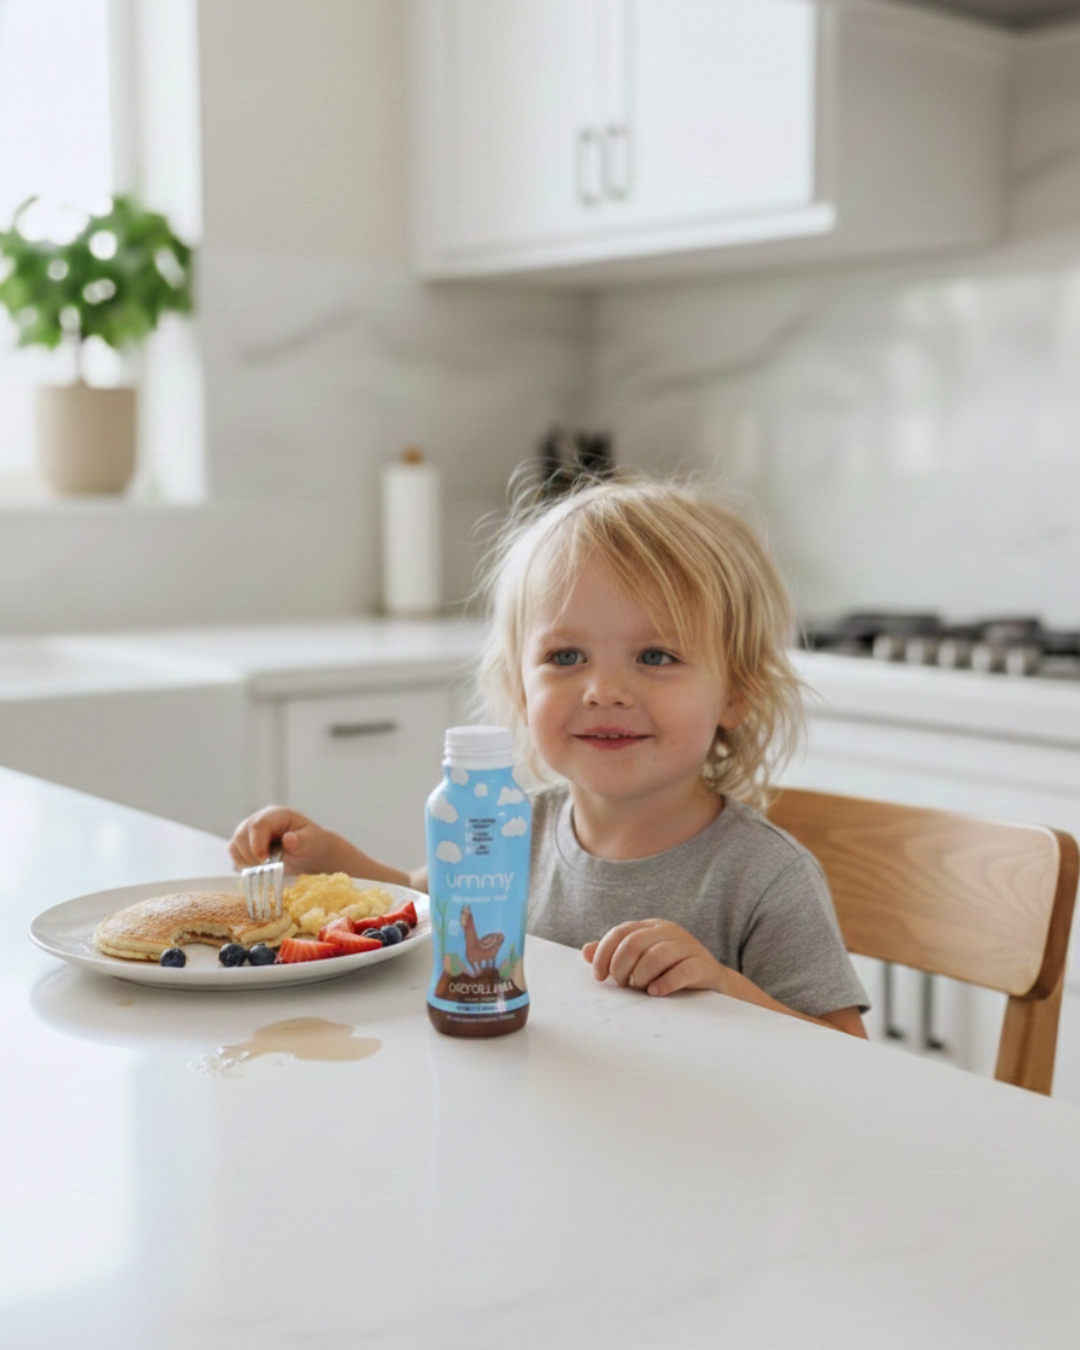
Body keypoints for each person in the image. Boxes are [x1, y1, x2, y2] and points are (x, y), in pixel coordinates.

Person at [230, 473, 869, 1037]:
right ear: (518, 686)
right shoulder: (515, 825)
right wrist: (326, 860)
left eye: (656, 657)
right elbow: (427, 907)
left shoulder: (765, 878)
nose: (604, 691)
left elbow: (851, 1061)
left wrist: (726, 991)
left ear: (736, 693)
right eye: (566, 657)